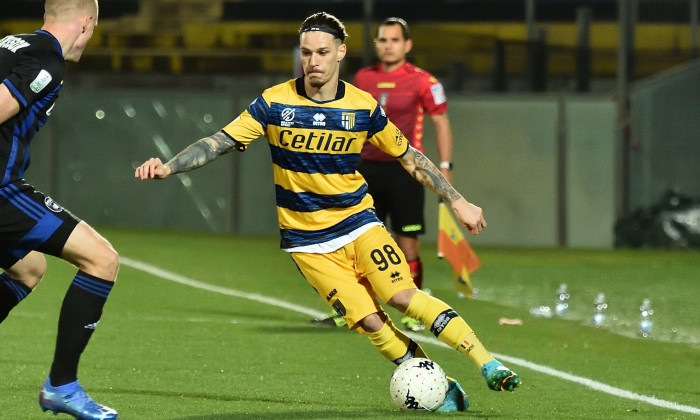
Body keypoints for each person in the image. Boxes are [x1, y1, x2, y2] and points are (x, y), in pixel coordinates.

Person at [135, 11, 520, 411]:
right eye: (306, 53)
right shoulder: (273, 103)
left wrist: (457, 199)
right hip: (306, 242)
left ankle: (487, 362)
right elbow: (218, 142)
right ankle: (437, 383)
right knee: (371, 322)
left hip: (357, 223)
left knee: (402, 295)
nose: (313, 61)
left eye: (321, 52)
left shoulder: (362, 106)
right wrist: (169, 166)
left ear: (341, 53)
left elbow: (409, 156)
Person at [0, 1, 119, 418]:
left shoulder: (10, 44)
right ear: (87, 23)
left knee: (27, 268)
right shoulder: (45, 61)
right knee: (102, 260)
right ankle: (61, 386)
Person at [312, 17, 454, 332]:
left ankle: (413, 311)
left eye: (393, 40)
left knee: (408, 242)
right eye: (382, 40)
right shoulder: (363, 77)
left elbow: (440, 122)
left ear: (407, 45)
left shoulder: (424, 82)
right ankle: (353, 310)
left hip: (406, 170)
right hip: (364, 170)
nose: (387, 46)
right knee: (349, 241)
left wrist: (445, 167)